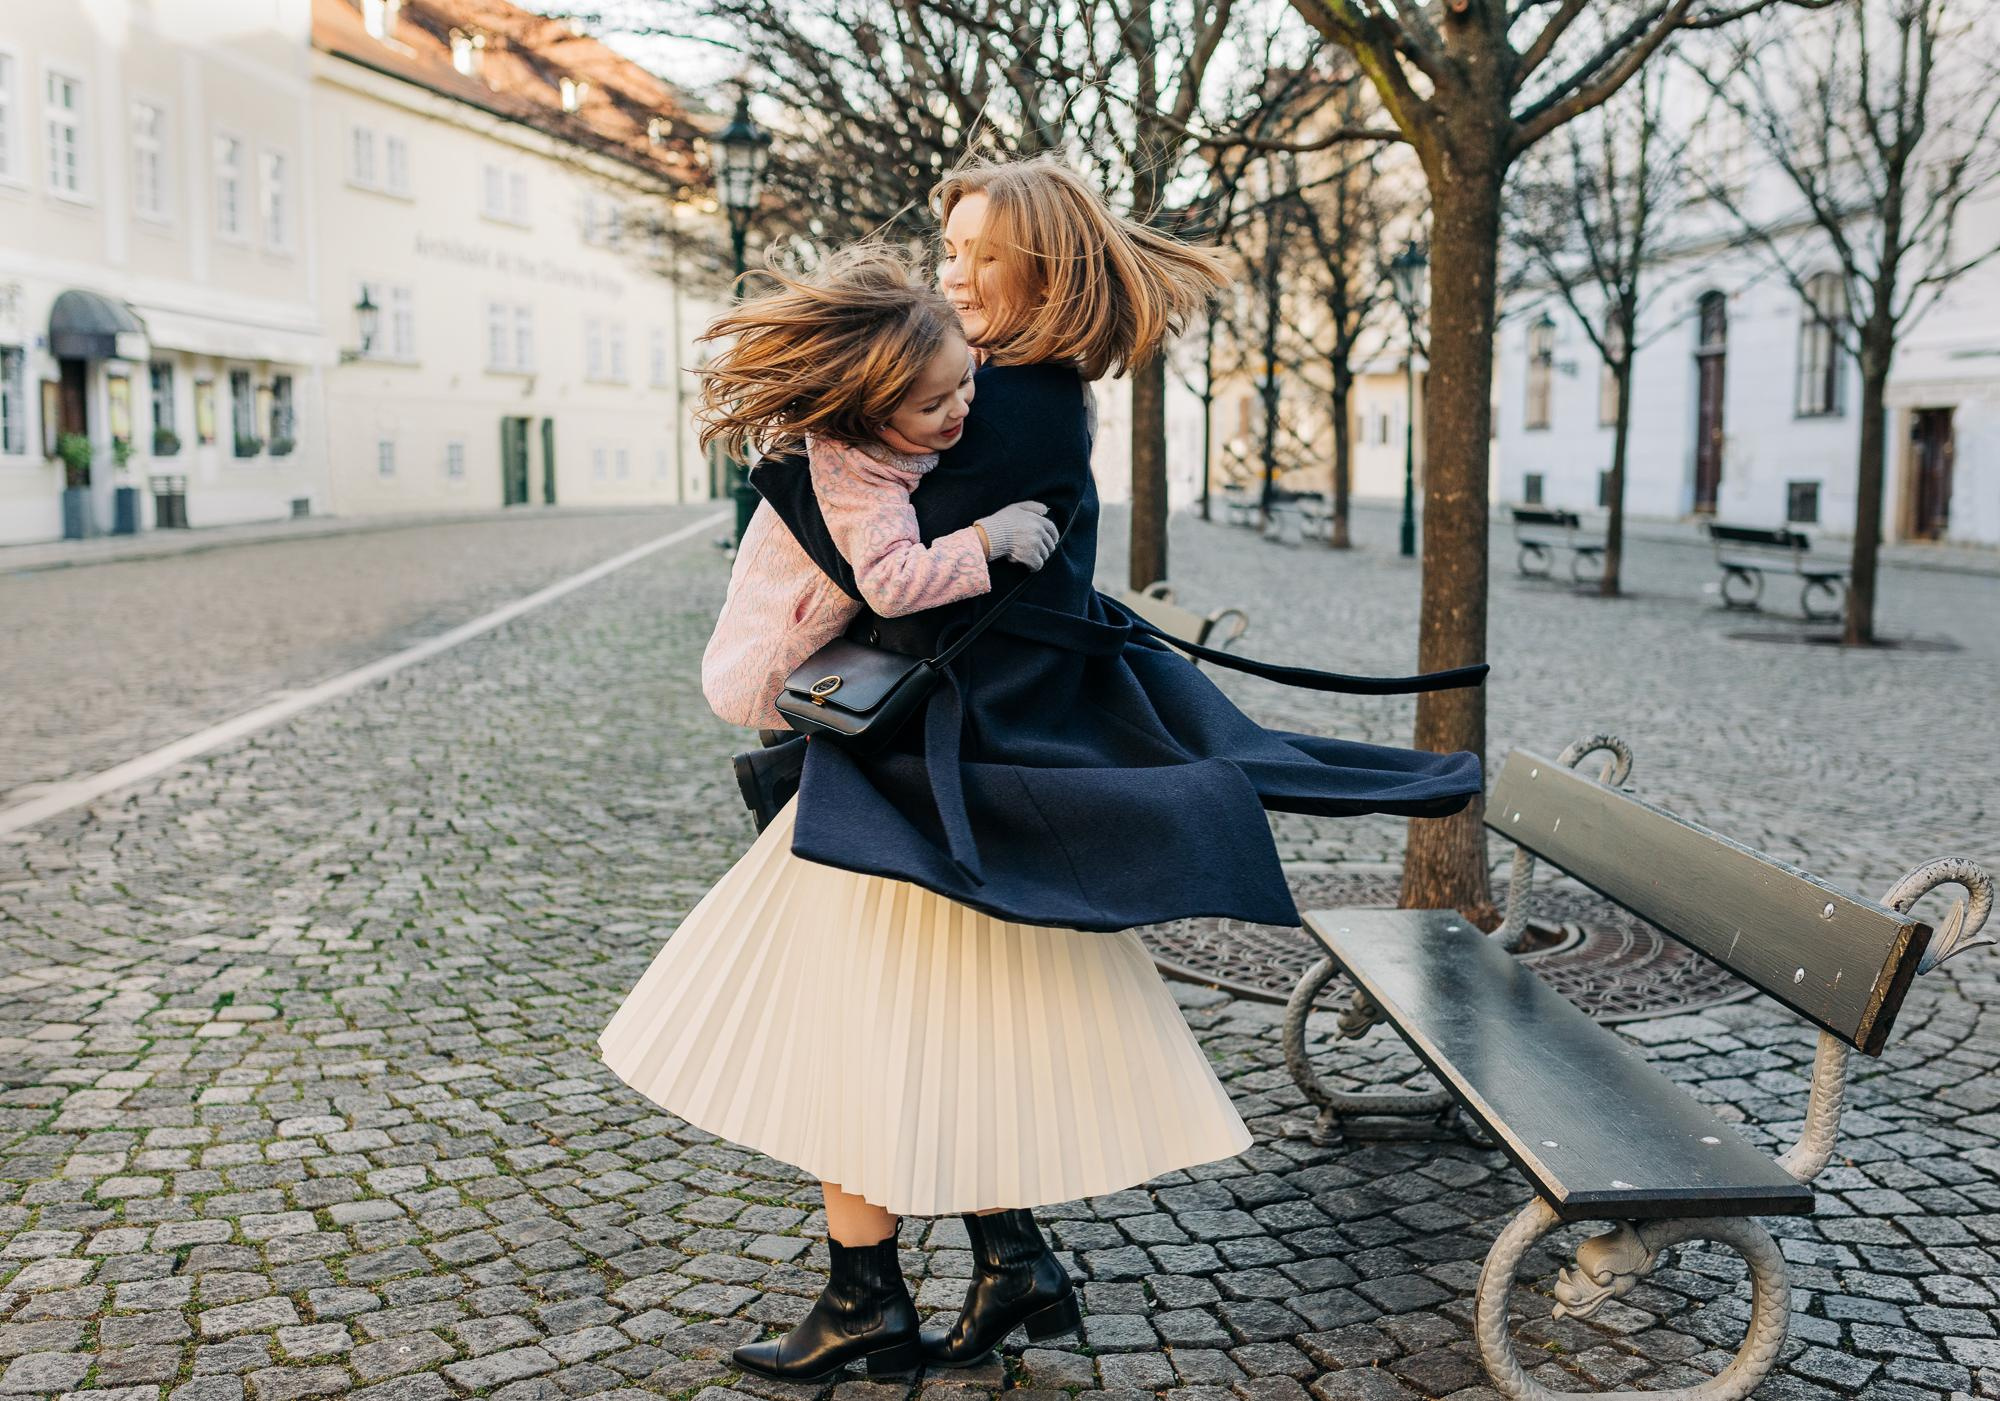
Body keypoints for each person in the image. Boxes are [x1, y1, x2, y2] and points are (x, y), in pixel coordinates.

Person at [602, 152, 1486, 1388]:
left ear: (1042, 268)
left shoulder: (996, 398)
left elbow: (862, 545)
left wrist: (813, 421)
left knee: (851, 1038)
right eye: (946, 249)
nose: (949, 275)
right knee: (933, 1034)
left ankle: (873, 1302)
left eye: (977, 257)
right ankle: (1003, 1262)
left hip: (932, 772)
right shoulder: (1020, 386)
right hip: (945, 766)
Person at [694, 244, 1060, 732]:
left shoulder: (925, 364)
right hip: (784, 672)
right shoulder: (859, 470)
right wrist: (989, 537)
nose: (960, 409)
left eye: (965, 381)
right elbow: (889, 584)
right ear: (873, 414)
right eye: (933, 406)